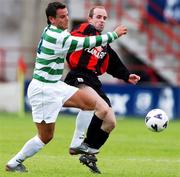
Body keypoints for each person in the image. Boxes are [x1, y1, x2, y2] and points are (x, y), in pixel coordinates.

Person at [5, 2, 128, 172]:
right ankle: (14, 163)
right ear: (52, 19)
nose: (66, 19)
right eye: (62, 17)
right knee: (45, 137)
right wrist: (113, 35)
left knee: (92, 104)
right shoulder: (58, 37)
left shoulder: (54, 31)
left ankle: (77, 144)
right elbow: (88, 42)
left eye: (67, 15)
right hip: (43, 90)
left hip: (55, 85)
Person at [64, 6, 140, 173]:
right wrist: (112, 35)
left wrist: (127, 76)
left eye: (105, 18)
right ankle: (79, 144)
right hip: (78, 75)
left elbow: (113, 62)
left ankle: (88, 154)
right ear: (90, 19)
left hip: (94, 80)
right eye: (98, 17)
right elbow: (82, 35)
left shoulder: (103, 44)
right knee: (102, 108)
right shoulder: (84, 30)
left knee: (111, 122)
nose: (101, 20)